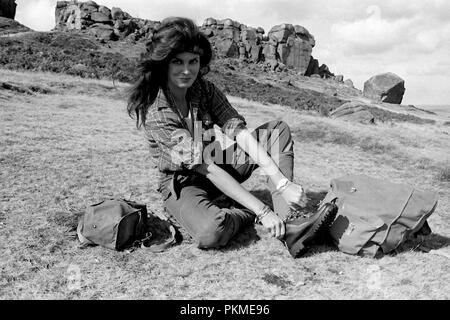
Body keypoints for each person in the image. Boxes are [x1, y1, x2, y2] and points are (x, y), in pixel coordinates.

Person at [127, 17, 337, 257]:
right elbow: (205, 168)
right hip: (184, 182)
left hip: (217, 163)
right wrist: (261, 211)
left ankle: (291, 223)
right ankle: (243, 210)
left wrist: (281, 182)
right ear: (164, 63)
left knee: (276, 131)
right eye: (177, 61)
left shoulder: (204, 89)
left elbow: (239, 132)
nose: (187, 70)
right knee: (211, 231)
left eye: (193, 61)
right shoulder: (158, 112)